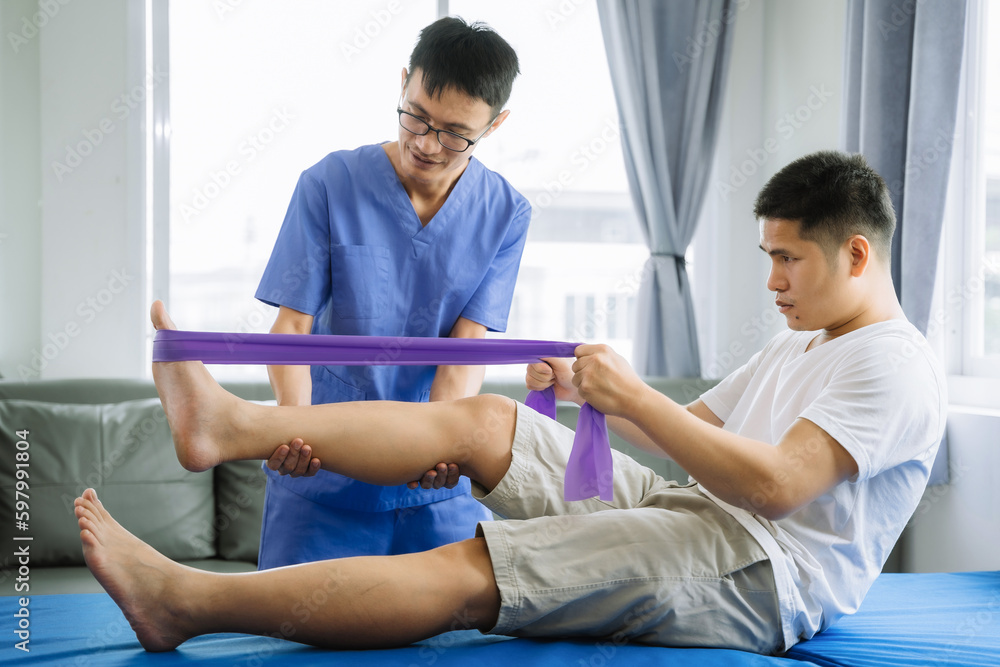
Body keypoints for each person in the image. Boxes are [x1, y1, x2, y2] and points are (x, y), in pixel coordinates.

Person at [77, 151, 945, 654]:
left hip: (756, 567)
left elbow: (777, 488)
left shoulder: (894, 365)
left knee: (483, 562)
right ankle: (232, 424)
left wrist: (636, 392)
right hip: (693, 506)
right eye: (768, 255)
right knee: (491, 420)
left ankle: (186, 600)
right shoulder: (801, 340)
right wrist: (588, 396)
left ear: (857, 256)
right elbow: (702, 437)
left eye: (788, 259)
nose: (773, 280)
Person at [252, 17, 528, 568]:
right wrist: (297, 428)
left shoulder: (505, 212)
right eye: (416, 116)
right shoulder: (329, 184)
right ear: (404, 81)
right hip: (323, 469)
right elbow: (292, 327)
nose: (426, 144)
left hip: (432, 481)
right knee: (296, 643)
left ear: (493, 126)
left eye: (454, 134)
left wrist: (445, 442)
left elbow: (465, 347)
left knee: (457, 644)